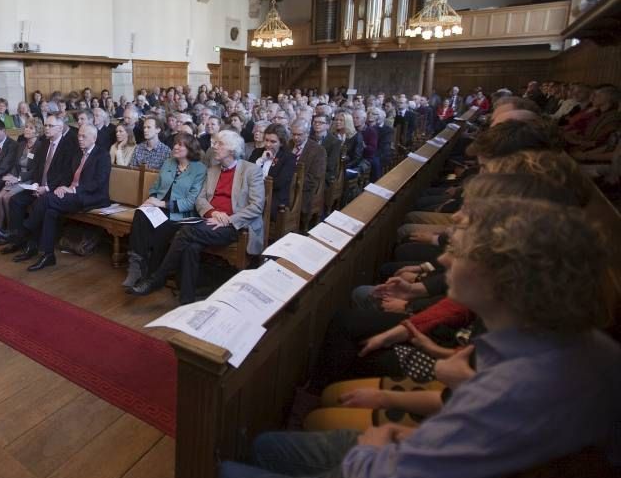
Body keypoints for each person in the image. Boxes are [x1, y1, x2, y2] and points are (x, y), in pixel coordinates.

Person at [221, 199, 619, 478]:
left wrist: (378, 443)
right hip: (413, 444)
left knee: (221, 469)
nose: (444, 260)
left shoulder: (518, 387)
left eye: (458, 252)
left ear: (502, 279)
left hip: (381, 463)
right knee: (267, 447)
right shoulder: (558, 345)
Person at [134, 131, 265, 303]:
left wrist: (228, 219)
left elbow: (257, 206)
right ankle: (186, 300)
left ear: (232, 149)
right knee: (190, 246)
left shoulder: (250, 170)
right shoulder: (212, 170)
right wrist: (213, 213)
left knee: (185, 232)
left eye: (219, 144)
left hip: (236, 225)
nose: (214, 147)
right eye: (215, 143)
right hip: (208, 221)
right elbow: (200, 199)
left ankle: (158, 278)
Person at [13, 125, 111, 271]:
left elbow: (98, 182)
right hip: (72, 193)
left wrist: (73, 189)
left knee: (46, 199)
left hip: (91, 196)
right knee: (50, 212)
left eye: (84, 136)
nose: (80, 139)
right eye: (79, 135)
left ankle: (25, 230)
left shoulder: (102, 155)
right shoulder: (78, 153)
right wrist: (62, 187)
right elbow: (68, 175)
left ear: (94, 138)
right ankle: (48, 255)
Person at [124, 133, 206, 289]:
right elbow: (156, 187)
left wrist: (161, 204)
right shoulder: (168, 163)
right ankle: (136, 266)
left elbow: (191, 202)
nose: (175, 147)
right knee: (140, 213)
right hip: (159, 208)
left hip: (180, 214)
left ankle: (152, 275)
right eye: (175, 143)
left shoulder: (199, 169)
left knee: (161, 227)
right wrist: (151, 200)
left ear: (190, 148)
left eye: (180, 145)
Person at [1, 113, 79, 255]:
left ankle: (29, 242)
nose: (47, 128)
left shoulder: (68, 147)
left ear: (60, 128)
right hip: (39, 187)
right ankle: (17, 240)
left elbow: (66, 175)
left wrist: (47, 188)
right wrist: (36, 185)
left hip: (53, 189)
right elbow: (37, 168)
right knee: (15, 201)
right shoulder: (44, 145)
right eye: (46, 125)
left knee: (39, 205)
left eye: (50, 126)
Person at [0, 119, 43, 246]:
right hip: (16, 177)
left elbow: (35, 170)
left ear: (37, 132)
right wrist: (11, 176)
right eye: (26, 127)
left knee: (8, 197)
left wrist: (18, 179)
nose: (26, 129)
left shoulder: (40, 146)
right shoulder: (21, 145)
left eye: (31, 128)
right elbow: (15, 165)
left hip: (29, 180)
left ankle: (11, 232)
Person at [248, 123, 296, 210]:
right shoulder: (257, 152)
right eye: (266, 140)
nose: (268, 144)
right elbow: (247, 174)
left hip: (275, 197)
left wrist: (257, 184)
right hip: (253, 193)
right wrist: (261, 161)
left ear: (281, 143)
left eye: (273, 142)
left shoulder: (289, 158)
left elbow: (278, 184)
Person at [291, 119, 327, 218]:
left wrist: (292, 183)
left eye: (299, 134)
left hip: (305, 189)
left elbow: (314, 178)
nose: (295, 137)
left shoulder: (318, 150)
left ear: (307, 134)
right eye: (293, 134)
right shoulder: (288, 144)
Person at [312, 113, 342, 187]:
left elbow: (330, 165)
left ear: (328, 125)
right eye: (315, 122)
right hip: (309, 171)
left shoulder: (335, 142)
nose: (317, 124)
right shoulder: (309, 138)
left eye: (321, 123)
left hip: (325, 174)